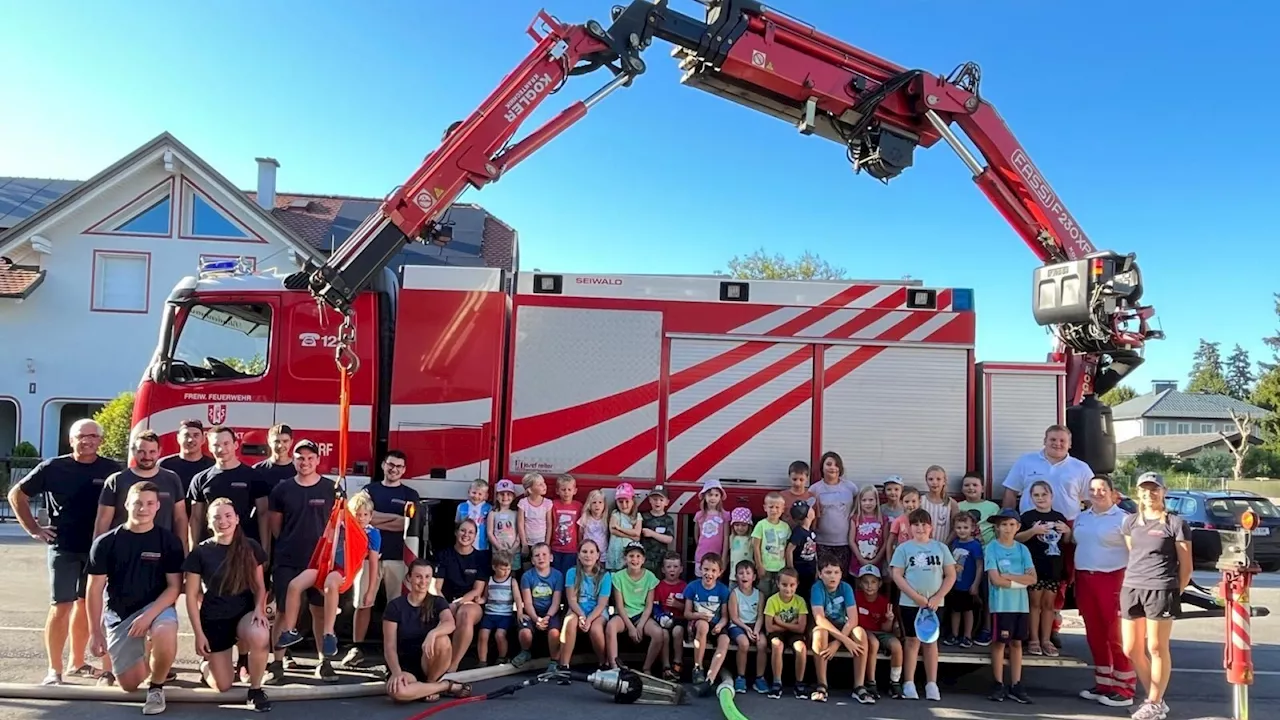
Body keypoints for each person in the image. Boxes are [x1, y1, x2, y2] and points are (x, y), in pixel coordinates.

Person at [9, 418, 121, 686]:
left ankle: (77, 663)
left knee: (86, 605)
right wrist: (35, 529)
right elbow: (17, 495)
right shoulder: (53, 467)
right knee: (61, 606)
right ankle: (54, 670)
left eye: (93, 436)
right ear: (71, 440)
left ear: (101, 440)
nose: (88, 440)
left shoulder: (111, 469)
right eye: (82, 436)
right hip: (64, 548)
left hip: (98, 550)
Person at [86, 482, 184, 714]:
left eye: (150, 503)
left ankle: (157, 688)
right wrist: (95, 632)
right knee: (129, 685)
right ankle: (147, 653)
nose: (143, 508)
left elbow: (174, 588)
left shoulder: (169, 541)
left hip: (156, 606)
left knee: (165, 628)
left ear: (158, 506)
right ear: (127, 504)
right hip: (121, 614)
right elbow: (94, 589)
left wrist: (148, 617)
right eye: (138, 503)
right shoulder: (105, 543)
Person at [265, 439, 343, 684]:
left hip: (321, 563)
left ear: (318, 460)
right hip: (288, 560)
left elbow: (339, 525)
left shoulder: (331, 489)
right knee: (283, 612)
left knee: (320, 612)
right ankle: (277, 664)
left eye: (310, 458)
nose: (305, 462)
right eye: (300, 458)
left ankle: (324, 662)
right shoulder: (282, 490)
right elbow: (275, 526)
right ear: (294, 459)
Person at [183, 497, 272, 711]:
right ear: (208, 522)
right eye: (217, 517)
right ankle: (206, 667)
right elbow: (191, 594)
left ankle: (256, 689)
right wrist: (199, 634)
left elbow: (261, 586)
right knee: (223, 685)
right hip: (215, 618)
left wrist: (260, 609)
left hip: (243, 613)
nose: (223, 521)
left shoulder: (251, 547)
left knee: (260, 634)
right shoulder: (201, 552)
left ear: (237, 519)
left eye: (228, 516)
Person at [275, 492, 381, 658]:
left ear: (370, 516)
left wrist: (370, 590)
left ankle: (329, 633)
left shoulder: (370, 533)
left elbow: (373, 563)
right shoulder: (342, 526)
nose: (361, 518)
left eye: (365, 515)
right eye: (357, 515)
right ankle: (290, 630)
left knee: (330, 584)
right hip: (325, 565)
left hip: (343, 570)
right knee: (295, 585)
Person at [1121, 472, 1191, 720]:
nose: (1150, 494)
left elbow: (1186, 565)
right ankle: (1154, 697)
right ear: (1138, 492)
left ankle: (1154, 701)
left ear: (1164, 491)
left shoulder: (1175, 523)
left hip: (1162, 589)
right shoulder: (1130, 522)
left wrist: (1174, 591)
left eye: (1155, 489)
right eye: (1145, 489)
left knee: (1156, 647)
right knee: (1131, 649)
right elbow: (1134, 553)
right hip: (1132, 588)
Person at [1074, 475, 1136, 707]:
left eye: (1102, 489)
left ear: (1112, 492)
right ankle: (1104, 684)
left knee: (1116, 636)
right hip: (1085, 580)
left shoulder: (1124, 520)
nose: (1097, 493)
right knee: (1095, 634)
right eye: (1092, 489)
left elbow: (1135, 552)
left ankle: (1125, 688)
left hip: (1113, 580)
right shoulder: (1082, 517)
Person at [890, 508, 956, 701]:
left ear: (931, 527)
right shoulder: (904, 548)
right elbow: (897, 575)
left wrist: (937, 597)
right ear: (909, 527)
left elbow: (950, 575)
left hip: (935, 604)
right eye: (916, 524)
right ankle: (909, 682)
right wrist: (915, 596)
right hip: (910, 603)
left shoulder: (940, 548)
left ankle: (931, 683)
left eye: (924, 524)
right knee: (911, 641)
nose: (920, 528)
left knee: (931, 642)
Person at [383, 560, 472, 703]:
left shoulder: (438, 602)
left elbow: (450, 623)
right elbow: (389, 647)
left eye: (427, 577)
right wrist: (396, 673)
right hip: (405, 666)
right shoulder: (395, 606)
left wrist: (433, 633)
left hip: (430, 663)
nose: (423, 581)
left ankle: (430, 683)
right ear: (409, 578)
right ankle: (444, 686)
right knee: (398, 691)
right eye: (418, 576)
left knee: (442, 639)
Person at [95, 430, 189, 552]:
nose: (147, 457)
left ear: (159, 452)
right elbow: (103, 519)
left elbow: (180, 518)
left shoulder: (172, 479)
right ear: (133, 451)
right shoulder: (117, 480)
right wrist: (97, 551)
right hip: (123, 549)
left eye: (152, 452)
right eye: (141, 452)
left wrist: (182, 550)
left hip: (162, 549)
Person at [984, 509, 1035, 704]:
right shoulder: (992, 548)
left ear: (1018, 527)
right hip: (1001, 605)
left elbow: (1033, 578)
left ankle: (1016, 684)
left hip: (1020, 605)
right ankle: (998, 683)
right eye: (1003, 524)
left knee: (1017, 643)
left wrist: (1011, 576)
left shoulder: (1022, 550)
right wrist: (1019, 579)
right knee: (999, 643)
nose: (1007, 528)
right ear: (997, 527)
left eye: (1011, 524)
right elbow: (996, 579)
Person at [1015, 480, 1071, 656]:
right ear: (1031, 497)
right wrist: (1033, 531)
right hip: (1034, 568)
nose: (1040, 498)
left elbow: (1066, 543)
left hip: (1053, 568)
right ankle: (1033, 640)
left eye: (1044, 494)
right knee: (1034, 604)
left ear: (1051, 496)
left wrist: (1068, 531)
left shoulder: (1059, 517)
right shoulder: (1027, 517)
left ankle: (1046, 640)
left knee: (1049, 605)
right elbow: (1016, 538)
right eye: (1036, 495)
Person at [189, 426, 269, 548]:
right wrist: (193, 550)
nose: (221, 449)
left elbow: (263, 514)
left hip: (245, 548)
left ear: (235, 445)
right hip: (211, 550)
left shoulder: (253, 476)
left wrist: (265, 549)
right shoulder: (200, 479)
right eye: (216, 445)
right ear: (210, 447)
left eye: (226, 443)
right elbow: (196, 518)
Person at [809, 556, 871, 704]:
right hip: (826, 628)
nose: (833, 576)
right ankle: (822, 685)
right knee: (820, 632)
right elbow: (819, 619)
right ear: (820, 574)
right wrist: (843, 641)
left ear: (841, 574)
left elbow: (853, 619)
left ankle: (859, 687)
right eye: (828, 572)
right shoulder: (817, 588)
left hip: (843, 629)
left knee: (860, 633)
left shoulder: (846, 588)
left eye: (836, 572)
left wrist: (837, 643)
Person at [364, 451, 420, 603]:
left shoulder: (411, 494)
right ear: (383, 465)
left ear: (404, 470)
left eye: (399, 466)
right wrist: (396, 519)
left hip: (398, 558)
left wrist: (375, 519)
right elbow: (362, 518)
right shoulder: (369, 490)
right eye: (391, 464)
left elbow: (408, 525)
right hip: (368, 557)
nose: (394, 469)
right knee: (363, 604)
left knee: (396, 604)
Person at [434, 518, 489, 673]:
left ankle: (453, 665)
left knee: (465, 613)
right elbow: (436, 587)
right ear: (456, 533)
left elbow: (478, 590)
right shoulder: (444, 554)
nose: (466, 535)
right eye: (463, 531)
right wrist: (445, 606)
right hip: (444, 602)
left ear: (475, 536)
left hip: (470, 602)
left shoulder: (481, 558)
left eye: (471, 532)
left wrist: (457, 604)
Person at [607, 542, 664, 674]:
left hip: (641, 615)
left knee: (658, 633)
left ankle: (647, 667)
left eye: (638, 556)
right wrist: (631, 627)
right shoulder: (618, 576)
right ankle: (614, 666)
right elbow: (619, 606)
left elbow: (649, 605)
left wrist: (640, 626)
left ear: (643, 560)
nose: (635, 559)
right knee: (611, 626)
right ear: (625, 558)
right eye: (631, 556)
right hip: (624, 615)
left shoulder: (650, 577)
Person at [560, 539, 612, 671]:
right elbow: (571, 600)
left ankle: (603, 662)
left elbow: (601, 604)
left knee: (595, 629)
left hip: (597, 611)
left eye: (591, 552)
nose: (587, 555)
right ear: (578, 554)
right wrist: (582, 615)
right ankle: (564, 665)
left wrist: (589, 620)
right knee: (570, 622)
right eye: (584, 552)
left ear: (598, 555)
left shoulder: (605, 576)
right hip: (577, 609)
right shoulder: (572, 573)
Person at [683, 553, 731, 688]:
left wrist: (720, 625)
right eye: (706, 569)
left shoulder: (722, 590)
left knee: (725, 640)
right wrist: (699, 616)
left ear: (720, 573)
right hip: (697, 623)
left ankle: (710, 678)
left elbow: (725, 616)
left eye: (713, 570)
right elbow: (687, 613)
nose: (709, 573)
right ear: (700, 569)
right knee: (703, 626)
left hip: (716, 624)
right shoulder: (693, 587)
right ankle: (698, 668)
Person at [514, 543, 564, 670]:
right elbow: (528, 602)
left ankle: (554, 661)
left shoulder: (557, 575)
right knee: (525, 633)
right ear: (532, 560)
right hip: (533, 612)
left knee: (554, 633)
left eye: (544, 555)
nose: (541, 558)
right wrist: (536, 619)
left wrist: (547, 617)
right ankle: (525, 651)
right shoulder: (527, 576)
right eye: (537, 555)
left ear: (551, 558)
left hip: (550, 612)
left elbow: (556, 602)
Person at [855, 566, 902, 698]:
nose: (870, 586)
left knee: (896, 645)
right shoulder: (855, 597)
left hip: (880, 632)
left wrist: (889, 620)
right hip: (863, 631)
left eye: (873, 582)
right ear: (860, 583)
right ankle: (871, 681)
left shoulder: (884, 602)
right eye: (866, 582)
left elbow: (886, 629)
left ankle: (895, 682)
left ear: (880, 583)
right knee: (873, 643)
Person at [763, 567, 808, 699]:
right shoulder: (772, 600)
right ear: (777, 584)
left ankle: (799, 683)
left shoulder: (800, 601)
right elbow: (769, 628)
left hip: (790, 632)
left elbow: (801, 628)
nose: (788, 589)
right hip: (778, 633)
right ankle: (777, 682)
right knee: (777, 645)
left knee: (801, 647)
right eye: (784, 585)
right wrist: (791, 625)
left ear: (797, 585)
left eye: (792, 585)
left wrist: (780, 623)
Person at [726, 559, 768, 694]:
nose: (744, 576)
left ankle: (759, 678)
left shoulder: (759, 595)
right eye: (741, 573)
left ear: (754, 577)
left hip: (754, 625)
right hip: (738, 625)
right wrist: (746, 629)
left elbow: (761, 616)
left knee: (762, 644)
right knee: (743, 644)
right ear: (736, 576)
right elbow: (734, 617)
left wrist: (755, 629)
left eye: (748, 573)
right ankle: (740, 677)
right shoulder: (734, 594)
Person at [810, 452, 857, 571]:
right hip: (822, 542)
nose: (832, 467)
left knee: (841, 577)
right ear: (822, 467)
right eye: (829, 464)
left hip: (845, 543)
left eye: (836, 465)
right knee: (824, 576)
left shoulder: (851, 487)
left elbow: (858, 508)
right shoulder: (815, 489)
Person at [944, 512, 984, 647]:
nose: (962, 530)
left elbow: (979, 566)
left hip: (968, 585)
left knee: (968, 610)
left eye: (965, 527)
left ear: (972, 528)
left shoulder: (975, 545)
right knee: (955, 609)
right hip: (954, 584)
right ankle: (954, 634)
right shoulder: (955, 543)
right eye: (959, 527)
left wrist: (975, 584)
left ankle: (967, 636)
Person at [476, 551, 521, 666]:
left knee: (499, 635)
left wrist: (520, 613)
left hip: (505, 615)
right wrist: (479, 600)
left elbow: (517, 598)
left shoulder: (512, 581)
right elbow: (486, 597)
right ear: (494, 567)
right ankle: (482, 660)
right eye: (502, 569)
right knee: (483, 634)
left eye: (508, 569)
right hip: (490, 614)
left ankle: (502, 657)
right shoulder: (489, 580)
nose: (506, 572)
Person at [159, 419, 214, 505]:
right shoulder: (164, 465)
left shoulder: (212, 467)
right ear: (178, 438)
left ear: (203, 439)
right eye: (186, 435)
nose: (190, 440)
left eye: (196, 435)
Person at [752, 492, 789, 597]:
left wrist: (787, 566)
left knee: (778, 595)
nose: (774, 510)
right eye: (771, 507)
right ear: (765, 508)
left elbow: (787, 547)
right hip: (765, 568)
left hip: (780, 568)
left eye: (777, 507)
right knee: (763, 593)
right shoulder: (761, 525)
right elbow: (756, 546)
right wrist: (759, 565)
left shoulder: (785, 527)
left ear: (783, 509)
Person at [550, 474, 583, 575]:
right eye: (563, 489)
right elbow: (550, 525)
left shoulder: (578, 506)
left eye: (569, 489)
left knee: (568, 574)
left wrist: (580, 546)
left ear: (575, 491)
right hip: (555, 548)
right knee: (555, 573)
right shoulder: (553, 505)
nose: (566, 492)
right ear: (557, 491)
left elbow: (580, 528)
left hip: (571, 549)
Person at [693, 480, 729, 571]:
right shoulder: (699, 515)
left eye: (716, 495)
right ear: (704, 496)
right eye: (710, 495)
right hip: (701, 556)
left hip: (717, 558)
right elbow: (697, 535)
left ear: (720, 497)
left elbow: (726, 538)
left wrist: (723, 558)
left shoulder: (724, 516)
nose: (713, 498)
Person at [785, 500, 818, 601]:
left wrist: (817, 568)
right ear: (807, 514)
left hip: (811, 570)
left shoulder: (810, 531)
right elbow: (789, 550)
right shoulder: (799, 532)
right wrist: (791, 568)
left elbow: (814, 551)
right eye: (811, 509)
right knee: (801, 596)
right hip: (800, 571)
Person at [606, 483, 641, 572]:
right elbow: (612, 530)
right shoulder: (615, 514)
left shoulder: (637, 516)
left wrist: (619, 528)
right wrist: (631, 536)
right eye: (620, 502)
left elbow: (637, 532)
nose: (624, 505)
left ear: (633, 501)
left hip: (628, 553)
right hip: (614, 553)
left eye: (627, 501)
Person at [920, 465, 959, 545]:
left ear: (944, 481)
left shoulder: (951, 503)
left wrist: (946, 544)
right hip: (922, 545)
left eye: (938, 479)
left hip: (942, 546)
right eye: (931, 479)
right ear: (926, 480)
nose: (934, 482)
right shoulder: (920, 501)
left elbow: (955, 528)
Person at [640, 488, 675, 575]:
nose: (657, 502)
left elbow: (669, 539)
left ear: (667, 502)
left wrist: (652, 534)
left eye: (661, 500)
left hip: (661, 560)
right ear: (650, 500)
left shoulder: (668, 519)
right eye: (655, 499)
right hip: (645, 559)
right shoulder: (643, 517)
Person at [455, 479, 492, 552]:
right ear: (469, 492)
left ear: (486, 496)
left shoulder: (488, 508)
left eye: (480, 494)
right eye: (474, 492)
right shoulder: (461, 507)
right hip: (463, 544)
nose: (476, 496)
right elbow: (457, 523)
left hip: (482, 545)